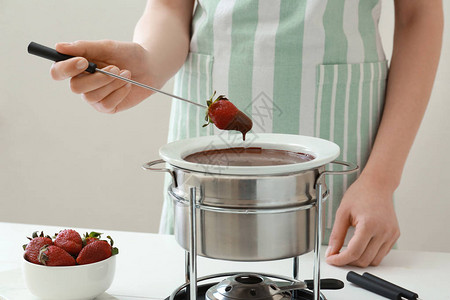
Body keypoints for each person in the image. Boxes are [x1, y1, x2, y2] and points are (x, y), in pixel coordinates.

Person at [49, 0, 443, 267]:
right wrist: (147, 63)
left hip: (343, 138)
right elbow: (170, 7)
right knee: (197, 271)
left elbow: (418, 15)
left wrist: (381, 179)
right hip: (208, 136)